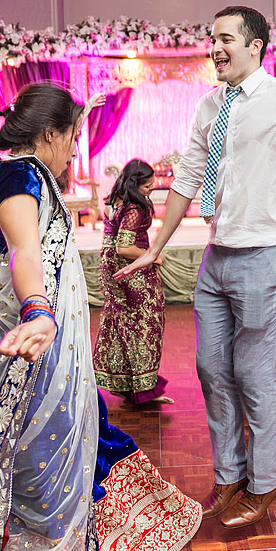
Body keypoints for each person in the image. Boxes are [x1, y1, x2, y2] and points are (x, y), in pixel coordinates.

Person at [0, 83, 202, 551]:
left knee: (54, 467)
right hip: (34, 361)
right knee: (42, 478)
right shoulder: (20, 175)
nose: (74, 148)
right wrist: (38, 308)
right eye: (74, 136)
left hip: (40, 357)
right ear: (52, 133)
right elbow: (24, 249)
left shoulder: (2, 170)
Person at [117, 5, 276, 528]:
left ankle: (266, 480)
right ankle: (229, 474)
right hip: (217, 257)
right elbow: (187, 177)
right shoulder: (210, 106)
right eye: (213, 38)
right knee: (211, 369)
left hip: (265, 255)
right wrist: (157, 246)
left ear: (255, 46)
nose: (216, 47)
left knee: (253, 373)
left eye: (226, 38)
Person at [93, 158, 173, 406]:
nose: (152, 188)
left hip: (111, 268)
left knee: (123, 323)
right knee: (146, 323)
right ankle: (142, 387)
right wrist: (153, 257)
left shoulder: (115, 199)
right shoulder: (134, 208)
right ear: (136, 183)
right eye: (148, 186)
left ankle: (130, 386)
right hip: (130, 270)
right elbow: (124, 247)